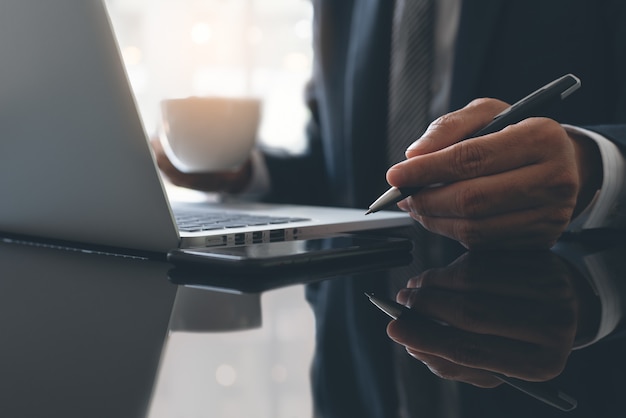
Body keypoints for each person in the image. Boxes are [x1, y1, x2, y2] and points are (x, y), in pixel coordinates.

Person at [154, 0, 626, 416]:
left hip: (563, 329)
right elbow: (339, 167)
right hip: (365, 375)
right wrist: (247, 175)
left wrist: (595, 165)